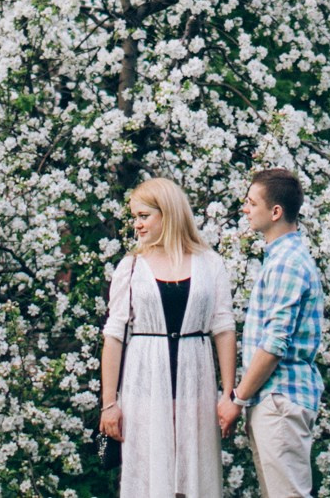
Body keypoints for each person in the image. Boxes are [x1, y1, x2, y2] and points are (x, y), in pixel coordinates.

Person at [99, 178, 238, 498]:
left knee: (194, 479)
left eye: (144, 216)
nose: (137, 225)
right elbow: (114, 336)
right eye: (135, 217)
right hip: (145, 389)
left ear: (168, 213)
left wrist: (227, 392)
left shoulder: (210, 264)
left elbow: (224, 327)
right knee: (150, 479)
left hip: (196, 387)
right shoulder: (131, 267)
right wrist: (110, 404)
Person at [220, 167, 324, 498]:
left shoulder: (286, 263)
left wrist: (237, 398)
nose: (246, 209)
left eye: (251, 203)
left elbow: (274, 345)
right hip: (274, 400)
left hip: (280, 401)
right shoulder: (280, 258)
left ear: (275, 211)